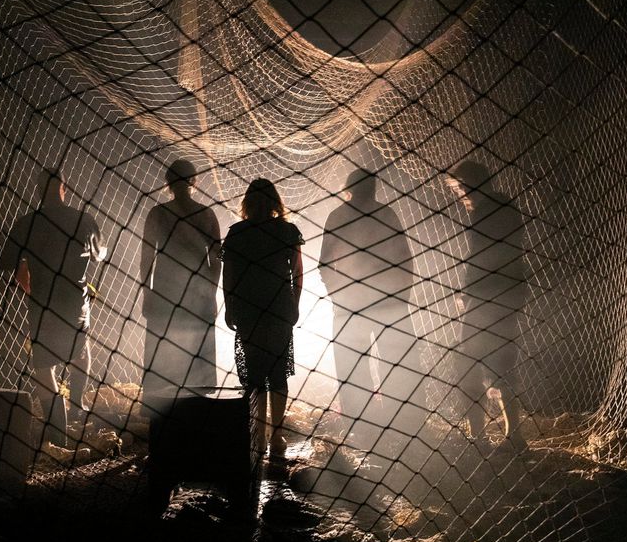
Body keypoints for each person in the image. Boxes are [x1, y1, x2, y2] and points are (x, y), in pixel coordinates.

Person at [0, 169, 106, 446]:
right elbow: (100, 254)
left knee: (44, 365)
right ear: (63, 188)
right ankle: (77, 407)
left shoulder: (27, 223)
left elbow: (10, 265)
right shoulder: (83, 219)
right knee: (80, 352)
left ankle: (57, 430)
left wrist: (29, 273)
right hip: (75, 300)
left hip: (43, 303)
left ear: (37, 190)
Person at [319, 169, 421, 441]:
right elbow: (406, 258)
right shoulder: (385, 214)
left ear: (348, 188)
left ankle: (363, 423)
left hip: (360, 301)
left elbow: (325, 264)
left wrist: (337, 295)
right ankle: (395, 421)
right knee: (390, 360)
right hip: (382, 300)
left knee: (356, 362)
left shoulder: (340, 216)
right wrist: (401, 296)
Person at [445, 161, 528, 450]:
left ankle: (478, 436)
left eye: (458, 188)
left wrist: (466, 293)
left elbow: (480, 256)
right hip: (511, 292)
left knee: (467, 362)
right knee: (503, 363)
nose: (459, 195)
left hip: (486, 297)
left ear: (467, 184)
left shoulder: (484, 211)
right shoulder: (508, 205)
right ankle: (514, 435)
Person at [222, 178, 304, 460]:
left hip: (248, 308)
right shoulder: (288, 231)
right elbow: (298, 272)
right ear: (274, 202)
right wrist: (295, 303)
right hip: (279, 307)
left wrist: (229, 306)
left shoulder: (237, 232)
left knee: (255, 374)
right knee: (278, 371)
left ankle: (259, 435)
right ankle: (277, 433)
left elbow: (228, 275)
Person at [139, 159, 222, 413]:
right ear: (193, 182)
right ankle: (198, 414)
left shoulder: (158, 214)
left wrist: (147, 292)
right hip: (198, 295)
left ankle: (164, 415)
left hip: (165, 293)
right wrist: (211, 290)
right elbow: (217, 260)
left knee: (163, 358)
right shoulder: (206, 214)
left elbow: (146, 259)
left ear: (169, 183)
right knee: (197, 357)